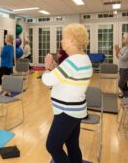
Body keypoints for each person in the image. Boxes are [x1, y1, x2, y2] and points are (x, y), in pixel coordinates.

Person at [42, 23, 93, 163]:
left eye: (64, 38)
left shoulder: (73, 61)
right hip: (76, 110)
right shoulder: (83, 58)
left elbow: (47, 81)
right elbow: (68, 76)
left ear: (72, 41)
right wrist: (55, 68)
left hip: (67, 112)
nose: (61, 41)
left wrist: (47, 68)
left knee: (52, 146)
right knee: (72, 145)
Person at [115, 32, 128, 98]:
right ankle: (127, 95)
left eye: (123, 38)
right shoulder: (124, 47)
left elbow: (123, 58)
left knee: (120, 84)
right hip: (122, 68)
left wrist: (117, 51)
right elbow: (118, 57)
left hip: (126, 69)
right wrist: (117, 52)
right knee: (124, 84)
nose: (122, 39)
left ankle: (126, 96)